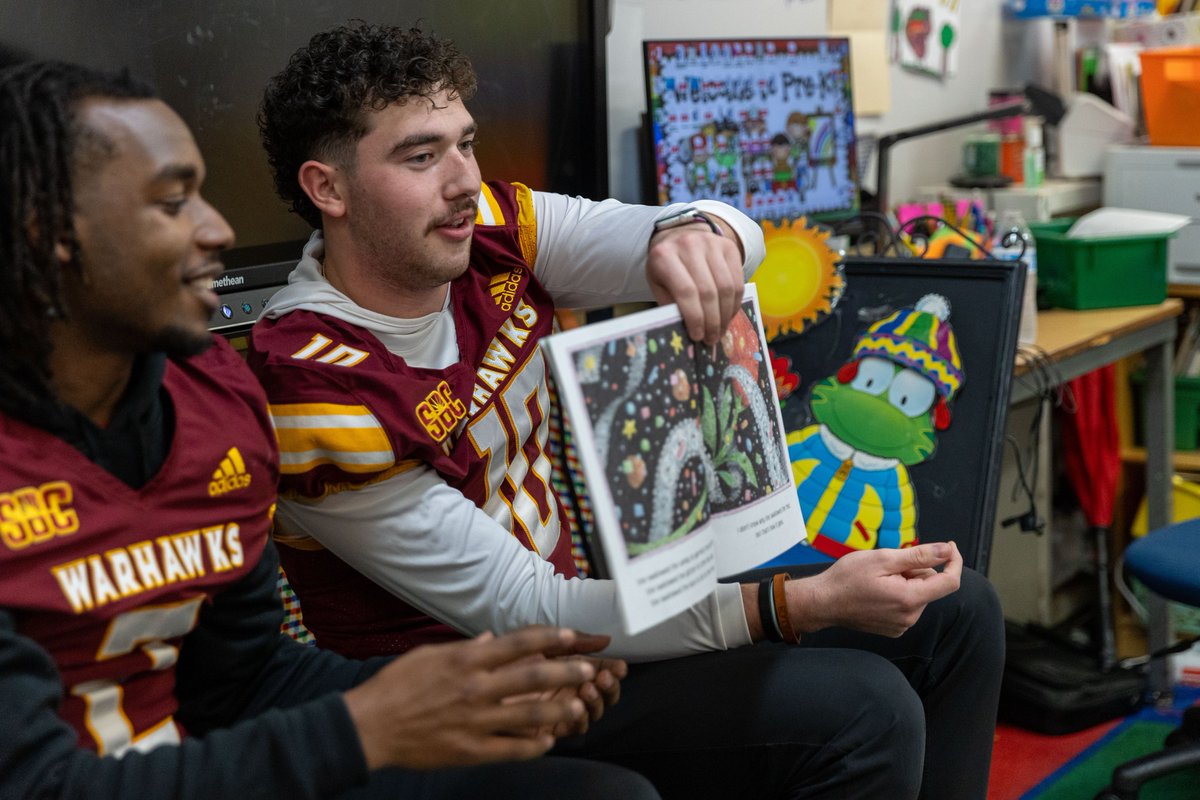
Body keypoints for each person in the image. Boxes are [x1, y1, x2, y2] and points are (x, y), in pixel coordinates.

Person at [249, 22, 1006, 799]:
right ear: (328, 189)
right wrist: (795, 605)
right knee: (865, 712)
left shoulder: (497, 230)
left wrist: (694, 233)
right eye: (420, 156)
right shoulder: (312, 383)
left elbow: (731, 233)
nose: (463, 180)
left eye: (465, 144)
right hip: (490, 698)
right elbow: (530, 607)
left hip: (596, 622)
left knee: (961, 609)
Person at [0, 59, 665, 800]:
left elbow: (243, 679)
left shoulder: (218, 394)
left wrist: (475, 692)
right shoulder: (302, 374)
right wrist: (364, 728)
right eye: (172, 202)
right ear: (52, 231)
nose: (217, 228)